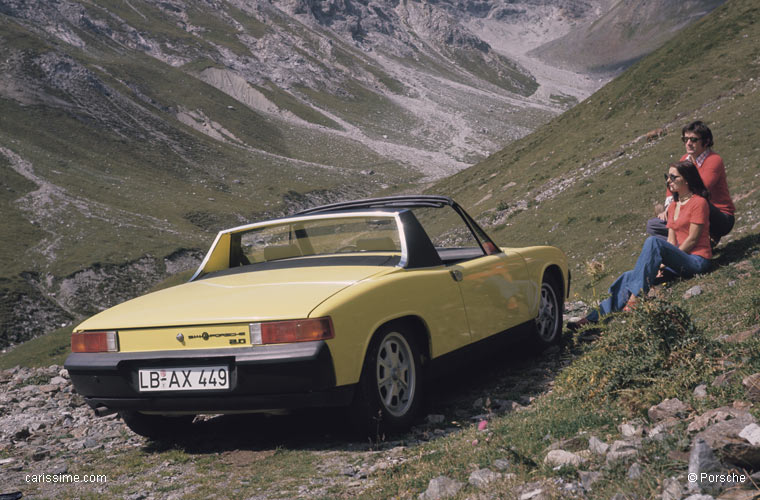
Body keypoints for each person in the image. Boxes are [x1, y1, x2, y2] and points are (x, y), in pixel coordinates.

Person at [570, 161, 712, 329]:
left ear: (687, 179)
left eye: (674, 177)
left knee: (653, 242)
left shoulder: (699, 203)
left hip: (697, 260)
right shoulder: (673, 206)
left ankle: (636, 298)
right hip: (679, 263)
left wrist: (668, 259)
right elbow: (671, 241)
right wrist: (662, 264)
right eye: (667, 177)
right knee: (629, 276)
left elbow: (693, 239)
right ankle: (594, 318)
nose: (669, 181)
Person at [646, 121, 735, 247]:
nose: (688, 143)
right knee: (653, 225)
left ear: (706, 141)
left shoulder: (713, 160)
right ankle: (696, 243)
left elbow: (700, 190)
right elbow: (672, 185)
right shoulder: (684, 160)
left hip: (719, 217)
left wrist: (674, 209)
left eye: (693, 139)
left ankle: (695, 242)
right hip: (690, 210)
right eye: (685, 139)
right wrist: (668, 209)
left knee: (700, 201)